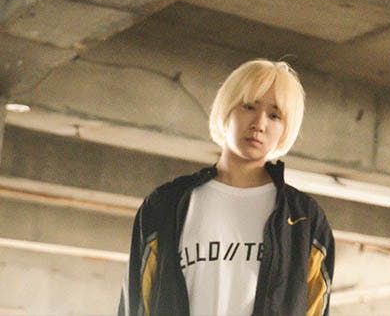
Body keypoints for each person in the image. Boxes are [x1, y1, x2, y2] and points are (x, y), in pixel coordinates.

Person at [119, 59, 334, 316]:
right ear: (227, 109)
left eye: (274, 115)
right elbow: (136, 303)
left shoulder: (304, 219)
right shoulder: (166, 204)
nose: (259, 124)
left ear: (285, 129)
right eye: (248, 106)